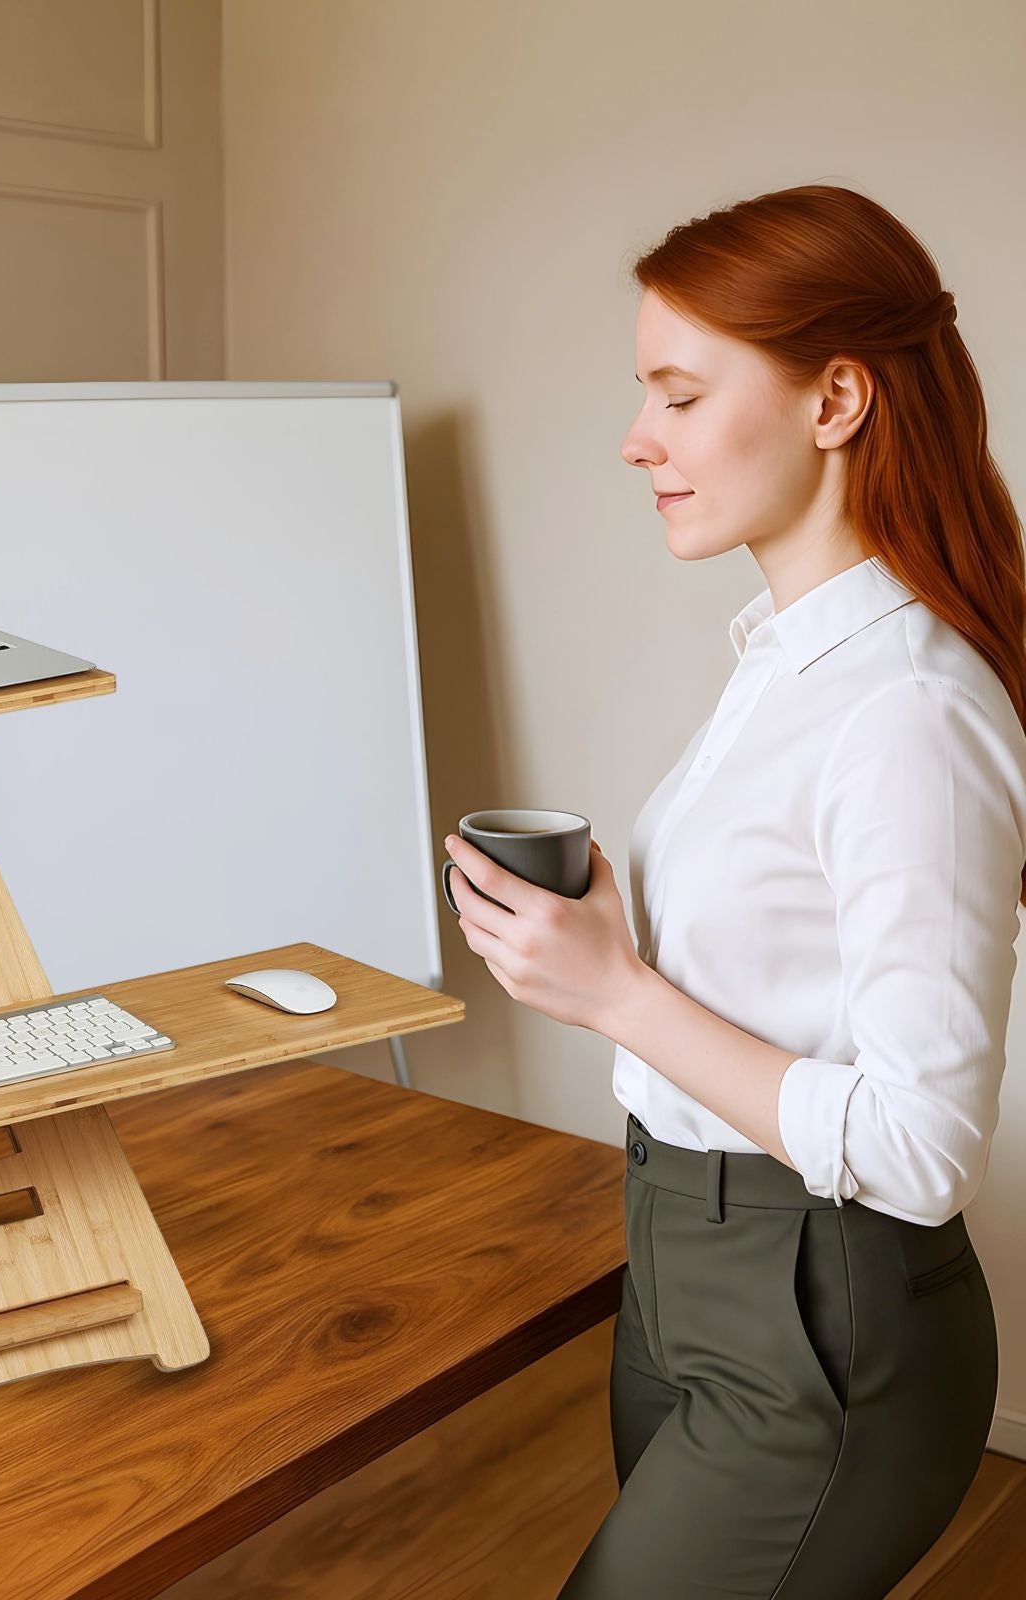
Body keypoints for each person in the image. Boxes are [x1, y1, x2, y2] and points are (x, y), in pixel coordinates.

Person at [443, 183, 1026, 1599]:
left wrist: (618, 994)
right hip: (680, 1275)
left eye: (681, 396)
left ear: (836, 400)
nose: (639, 440)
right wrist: (613, 947)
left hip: (818, 1320)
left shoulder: (905, 713)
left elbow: (922, 1146)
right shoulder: (786, 656)